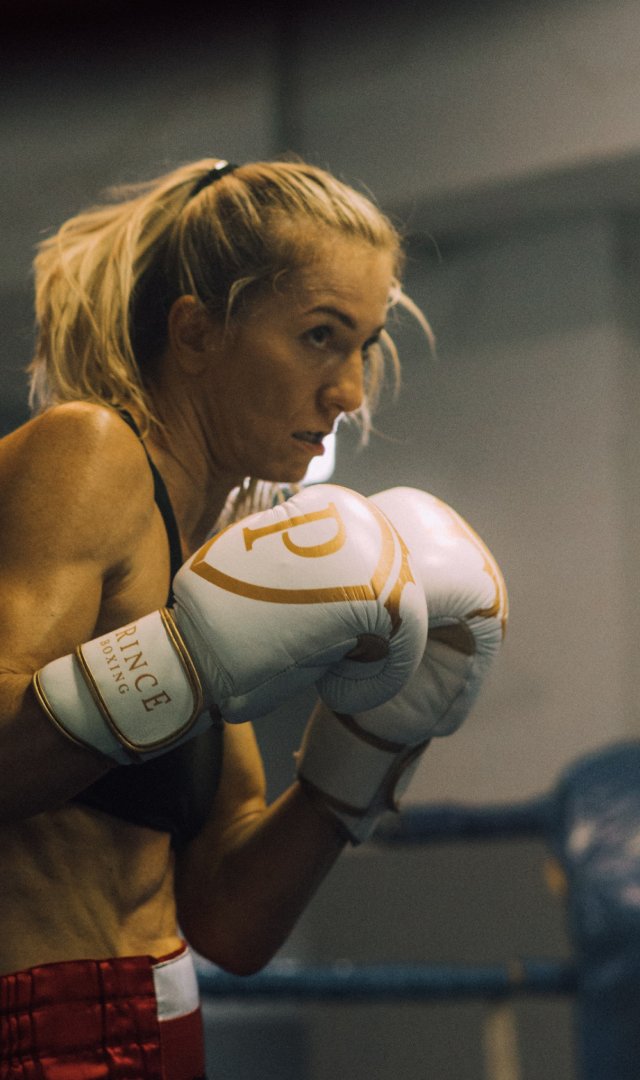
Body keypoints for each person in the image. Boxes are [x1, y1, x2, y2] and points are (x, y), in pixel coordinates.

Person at [0, 157, 507, 1079]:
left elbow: (230, 922)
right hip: (41, 1023)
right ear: (197, 332)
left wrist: (371, 749)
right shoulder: (88, 454)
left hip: (165, 1011)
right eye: (319, 336)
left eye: (364, 345)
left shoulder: (212, 556)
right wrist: (185, 662)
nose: (350, 391)